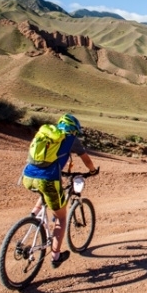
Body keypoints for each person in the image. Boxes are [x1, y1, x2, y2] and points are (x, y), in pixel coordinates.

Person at [21, 113, 98, 268]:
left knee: (46, 192)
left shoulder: (47, 135)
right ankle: (56, 257)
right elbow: (86, 159)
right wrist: (92, 171)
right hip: (48, 179)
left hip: (27, 177)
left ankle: (34, 215)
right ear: (74, 129)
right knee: (61, 218)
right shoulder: (71, 139)